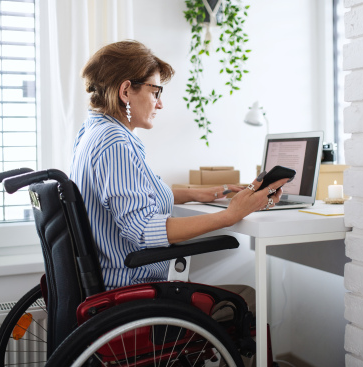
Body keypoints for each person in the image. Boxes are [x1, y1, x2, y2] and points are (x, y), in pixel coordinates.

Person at [70, 40, 288, 291]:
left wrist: (199, 193)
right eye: (155, 92)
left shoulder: (94, 132)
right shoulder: (114, 143)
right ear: (126, 91)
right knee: (247, 298)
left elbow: (125, 197)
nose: (160, 104)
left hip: (117, 281)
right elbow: (143, 230)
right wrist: (230, 215)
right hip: (132, 288)